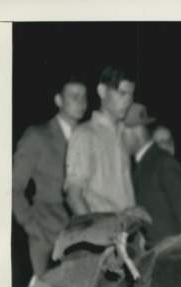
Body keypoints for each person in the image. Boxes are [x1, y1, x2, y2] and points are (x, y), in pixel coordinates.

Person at [12, 74, 88, 276]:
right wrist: (32, 226)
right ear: (58, 100)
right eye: (74, 96)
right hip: (45, 235)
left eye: (84, 97)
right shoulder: (37, 135)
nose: (81, 103)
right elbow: (13, 188)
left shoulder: (89, 137)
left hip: (81, 239)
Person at [121, 102, 181, 247]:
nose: (119, 140)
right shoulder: (143, 164)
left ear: (136, 131)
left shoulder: (162, 162)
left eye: (122, 134)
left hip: (170, 259)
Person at [64, 65, 136, 215]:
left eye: (131, 95)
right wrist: (96, 235)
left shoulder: (124, 135)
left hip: (128, 233)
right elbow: (73, 196)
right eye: (122, 93)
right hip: (103, 234)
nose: (128, 101)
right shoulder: (85, 135)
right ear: (102, 91)